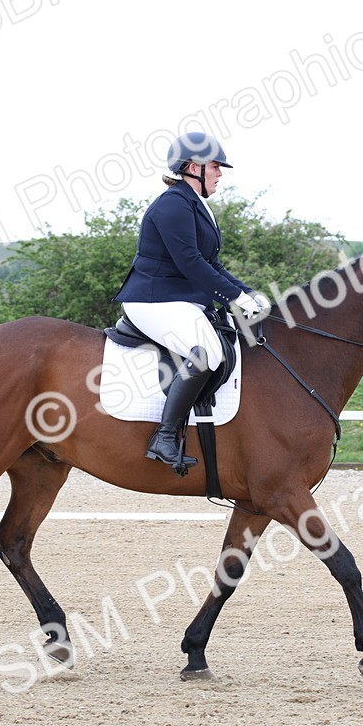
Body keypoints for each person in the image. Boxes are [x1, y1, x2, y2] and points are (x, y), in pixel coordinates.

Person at [112, 132, 270, 471]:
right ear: (193, 167)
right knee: (207, 352)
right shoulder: (172, 204)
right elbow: (190, 263)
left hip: (178, 300)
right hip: (153, 300)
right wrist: (236, 299)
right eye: (215, 166)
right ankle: (164, 437)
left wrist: (247, 293)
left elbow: (211, 264)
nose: (220, 173)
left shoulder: (196, 206)